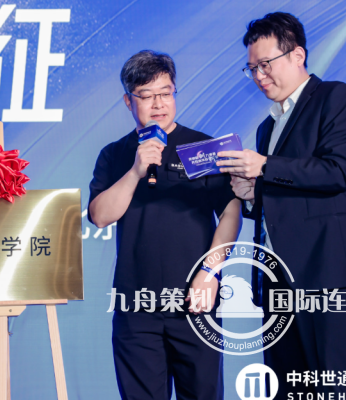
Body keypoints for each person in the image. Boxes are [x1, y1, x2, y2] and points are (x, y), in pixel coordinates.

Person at [216, 12, 346, 397]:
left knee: (335, 386)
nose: (259, 76)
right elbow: (284, 192)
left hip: (327, 273)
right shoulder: (268, 126)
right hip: (278, 279)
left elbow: (339, 171)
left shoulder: (336, 98)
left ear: (297, 55)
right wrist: (251, 194)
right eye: (252, 69)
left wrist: (265, 166)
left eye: (265, 64)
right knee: (286, 388)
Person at [88, 50, 241, 400]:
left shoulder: (204, 148)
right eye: (147, 95)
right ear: (128, 101)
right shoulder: (114, 154)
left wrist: (210, 272)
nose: (158, 104)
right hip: (136, 306)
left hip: (194, 302)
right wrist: (135, 171)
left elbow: (230, 211)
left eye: (166, 93)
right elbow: (100, 215)